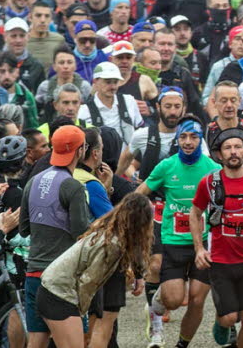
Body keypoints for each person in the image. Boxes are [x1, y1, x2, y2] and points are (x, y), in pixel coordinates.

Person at [137, 119, 220, 348]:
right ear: (177, 139)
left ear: (200, 139)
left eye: (193, 137)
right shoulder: (167, 166)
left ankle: (181, 344)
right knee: (173, 301)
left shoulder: (213, 169)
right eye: (183, 137)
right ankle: (155, 301)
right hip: (173, 241)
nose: (188, 142)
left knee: (196, 299)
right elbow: (140, 193)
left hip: (202, 243)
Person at [188, 125, 243, 348]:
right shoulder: (210, 182)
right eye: (227, 148)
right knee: (229, 317)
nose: (233, 151)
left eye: (237, 147)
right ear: (219, 154)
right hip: (221, 262)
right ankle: (221, 323)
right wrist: (199, 248)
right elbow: (194, 213)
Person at [36, 193, 152, 348]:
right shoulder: (112, 244)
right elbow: (89, 281)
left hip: (54, 289)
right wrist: (83, 315)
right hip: (59, 293)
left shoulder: (108, 231)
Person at [21, 125, 92, 348]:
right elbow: (81, 235)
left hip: (33, 274)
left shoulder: (34, 181)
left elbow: (24, 229)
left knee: (37, 341)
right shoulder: (73, 186)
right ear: (81, 151)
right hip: (59, 278)